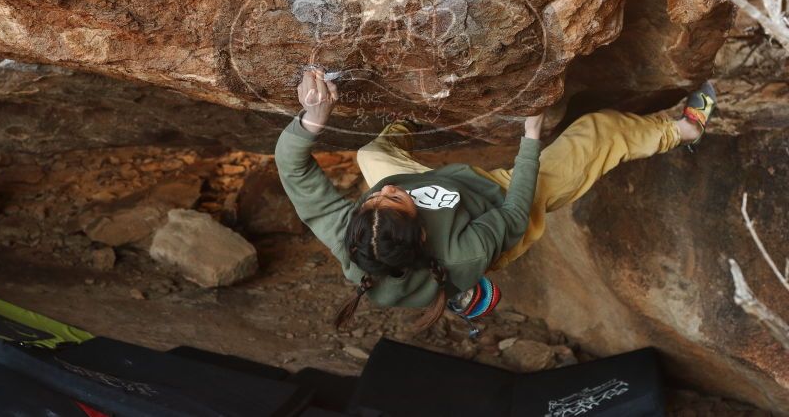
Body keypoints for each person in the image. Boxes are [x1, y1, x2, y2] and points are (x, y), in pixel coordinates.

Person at [275, 69, 717, 331]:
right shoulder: (463, 250)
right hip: (501, 201)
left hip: (437, 217)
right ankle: (680, 132)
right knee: (597, 132)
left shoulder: (356, 239)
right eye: (396, 200)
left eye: (375, 199)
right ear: (422, 227)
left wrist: (313, 121)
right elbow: (514, 212)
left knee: (371, 154)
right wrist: (530, 138)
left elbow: (293, 169)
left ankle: (412, 119)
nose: (388, 190)